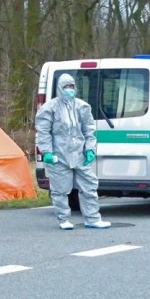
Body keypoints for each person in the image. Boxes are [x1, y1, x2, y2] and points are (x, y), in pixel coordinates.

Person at [35, 73, 111, 230]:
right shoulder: (49, 108)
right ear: (60, 88)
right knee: (60, 189)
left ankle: (92, 218)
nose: (69, 90)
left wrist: (90, 149)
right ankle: (63, 219)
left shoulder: (82, 106)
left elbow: (89, 130)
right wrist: (47, 152)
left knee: (89, 185)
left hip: (79, 155)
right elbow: (43, 132)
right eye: (66, 87)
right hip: (59, 155)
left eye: (71, 86)